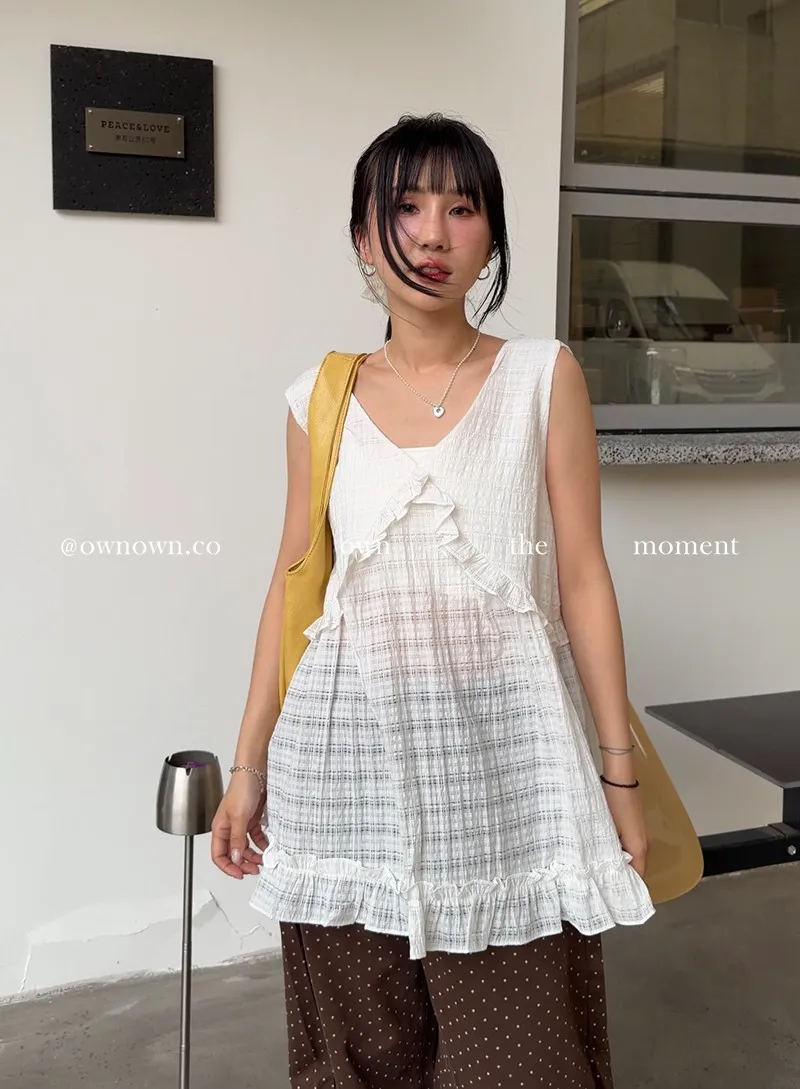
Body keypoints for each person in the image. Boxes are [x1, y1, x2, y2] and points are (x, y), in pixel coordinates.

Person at [211, 112, 655, 1088]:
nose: (432, 232)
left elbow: (581, 576)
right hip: (343, 766)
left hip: (505, 764)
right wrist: (248, 766)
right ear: (363, 237)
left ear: (490, 236)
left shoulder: (541, 376)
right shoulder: (319, 398)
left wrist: (615, 776)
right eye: (405, 207)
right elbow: (293, 583)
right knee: (359, 1061)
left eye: (461, 207)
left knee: (521, 1060)